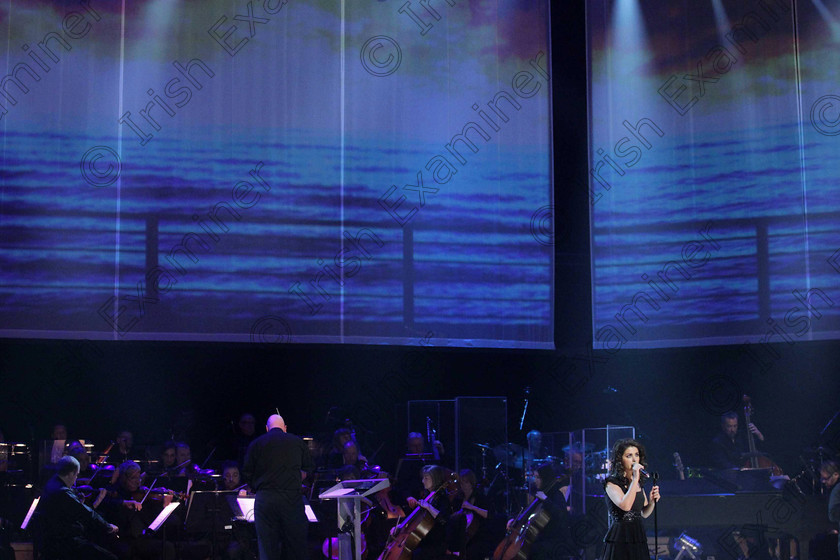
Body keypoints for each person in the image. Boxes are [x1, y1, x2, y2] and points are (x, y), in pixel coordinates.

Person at [242, 414, 314, 560]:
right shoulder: (297, 442)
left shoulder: (256, 443)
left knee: (267, 549)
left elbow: (247, 473)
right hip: (291, 499)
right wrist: (293, 478)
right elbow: (308, 469)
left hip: (265, 499)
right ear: (285, 428)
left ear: (267, 428)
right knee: (296, 548)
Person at [35, 455, 119, 560]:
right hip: (64, 543)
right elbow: (87, 513)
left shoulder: (52, 483)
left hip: (52, 540)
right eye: (76, 475)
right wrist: (108, 526)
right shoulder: (63, 492)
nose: (76, 479)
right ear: (71, 473)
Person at [600, 439, 660, 560]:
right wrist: (635, 479)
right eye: (629, 456)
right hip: (620, 535)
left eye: (636, 455)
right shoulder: (611, 483)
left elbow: (644, 513)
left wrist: (652, 501)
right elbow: (625, 506)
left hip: (637, 534)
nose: (634, 459)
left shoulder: (637, 483)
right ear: (620, 460)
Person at [398, 464, 452, 560]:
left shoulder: (443, 498)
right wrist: (401, 527)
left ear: (435, 479)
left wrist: (429, 507)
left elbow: (444, 520)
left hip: (436, 542)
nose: (423, 481)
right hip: (426, 540)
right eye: (423, 478)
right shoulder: (428, 495)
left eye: (426, 478)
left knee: (417, 555)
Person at [449, 469, 494, 560]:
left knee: (471, 552)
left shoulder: (480, 497)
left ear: (471, 483)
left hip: (478, 536)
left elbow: (489, 515)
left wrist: (473, 507)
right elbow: (452, 518)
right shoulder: (458, 499)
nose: (463, 485)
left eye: (466, 482)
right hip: (460, 535)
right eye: (461, 483)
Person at [821, 461, 840, 559]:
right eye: (822, 479)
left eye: (826, 478)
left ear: (836, 475)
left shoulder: (837, 489)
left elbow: (833, 515)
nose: (823, 482)